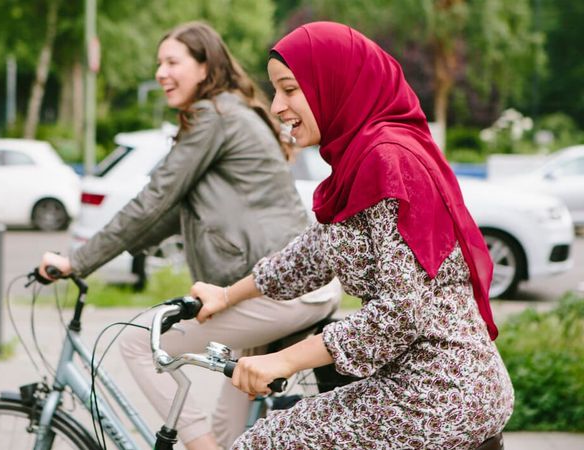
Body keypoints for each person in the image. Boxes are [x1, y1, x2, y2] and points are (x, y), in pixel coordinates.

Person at [190, 22, 515, 449]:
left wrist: (283, 360)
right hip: (427, 383)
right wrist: (227, 295)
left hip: (438, 392)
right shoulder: (361, 160)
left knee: (264, 441)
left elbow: (400, 313)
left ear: (334, 83)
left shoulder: (386, 160)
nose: (276, 106)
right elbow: (313, 254)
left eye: (289, 89)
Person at [39, 22, 340, 450]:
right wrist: (111, 255)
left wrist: (79, 261)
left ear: (204, 67)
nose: (161, 72)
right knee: (224, 432)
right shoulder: (228, 112)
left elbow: (154, 199)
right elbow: (169, 214)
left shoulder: (213, 115)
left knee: (136, 343)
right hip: (289, 287)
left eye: (172, 62)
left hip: (278, 291)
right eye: (158, 63)